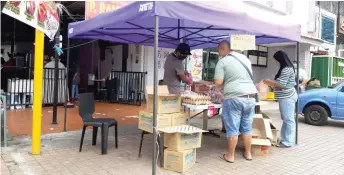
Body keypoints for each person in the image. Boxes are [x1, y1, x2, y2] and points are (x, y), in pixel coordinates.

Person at [215, 40, 257, 163]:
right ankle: (248, 153)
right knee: (247, 128)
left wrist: (216, 88)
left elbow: (218, 82)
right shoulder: (246, 59)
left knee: (232, 128)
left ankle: (230, 155)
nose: (218, 54)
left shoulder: (223, 61)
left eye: (219, 51)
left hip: (234, 98)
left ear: (223, 49)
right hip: (250, 97)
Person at [263, 50, 298, 148]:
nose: (276, 62)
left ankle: (288, 142)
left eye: (276, 60)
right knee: (286, 119)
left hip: (287, 97)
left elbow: (282, 84)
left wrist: (268, 82)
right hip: (286, 96)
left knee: (288, 119)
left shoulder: (286, 69)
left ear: (280, 59)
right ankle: (284, 139)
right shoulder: (286, 68)